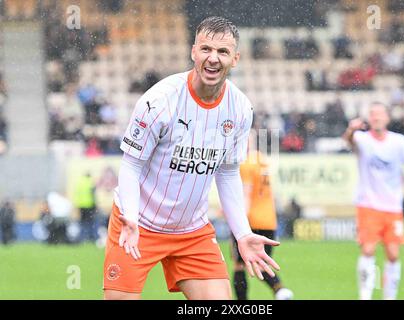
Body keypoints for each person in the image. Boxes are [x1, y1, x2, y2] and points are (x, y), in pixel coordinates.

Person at [103, 16, 280, 300]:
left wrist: (243, 234)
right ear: (193, 52)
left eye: (223, 52)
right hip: (139, 224)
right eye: (206, 49)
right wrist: (131, 217)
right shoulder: (159, 101)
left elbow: (227, 173)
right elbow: (131, 165)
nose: (213, 58)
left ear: (235, 58)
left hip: (192, 231)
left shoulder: (241, 109)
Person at [342, 102, 404, 300]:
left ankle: (389, 296)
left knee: (393, 254)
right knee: (368, 250)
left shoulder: (398, 142)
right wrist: (351, 129)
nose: (376, 117)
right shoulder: (362, 139)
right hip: (368, 205)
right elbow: (349, 142)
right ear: (369, 119)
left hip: (392, 207)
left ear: (387, 118)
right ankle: (365, 296)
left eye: (379, 114)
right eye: (372, 114)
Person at [231, 141, 293, 300]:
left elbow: (246, 195)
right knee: (262, 263)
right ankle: (280, 290)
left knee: (239, 266)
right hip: (268, 220)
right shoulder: (260, 159)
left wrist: (238, 222)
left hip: (251, 221)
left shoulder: (245, 165)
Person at [74, 173, 98, 242]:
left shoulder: (80, 182)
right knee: (91, 222)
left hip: (81, 206)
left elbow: (77, 194)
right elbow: (93, 194)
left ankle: (82, 237)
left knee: (82, 222)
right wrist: (95, 205)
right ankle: (92, 237)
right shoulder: (90, 182)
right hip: (90, 205)